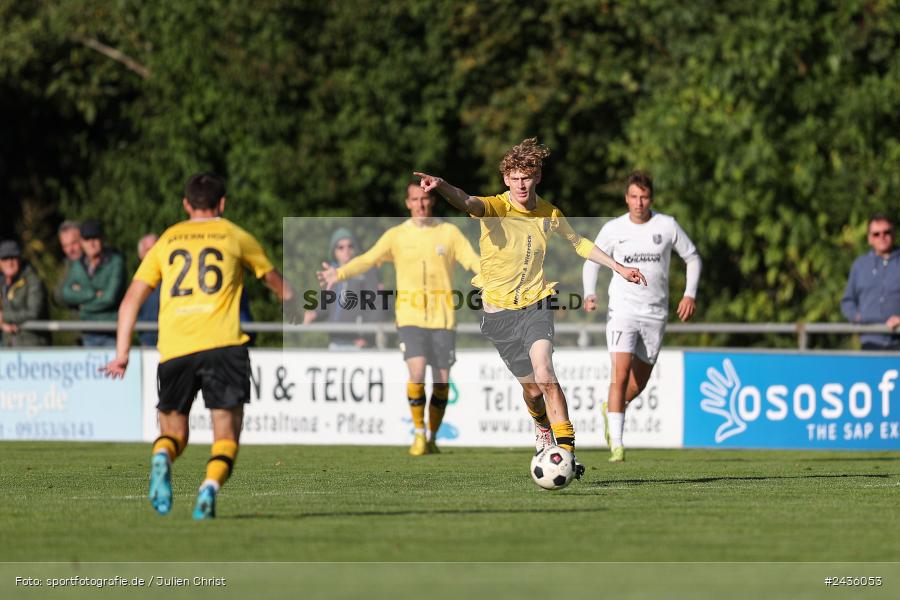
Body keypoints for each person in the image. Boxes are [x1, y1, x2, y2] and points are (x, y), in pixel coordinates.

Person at [414, 138, 647, 474]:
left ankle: (566, 455)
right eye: (515, 178)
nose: (522, 184)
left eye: (528, 176)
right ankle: (541, 427)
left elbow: (579, 243)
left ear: (537, 176)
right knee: (534, 393)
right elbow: (466, 200)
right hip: (498, 314)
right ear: (506, 180)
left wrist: (620, 268)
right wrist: (441, 186)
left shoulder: (549, 213)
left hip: (536, 303)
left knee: (546, 374)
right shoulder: (495, 207)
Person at [102, 172, 293, 520]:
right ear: (222, 203)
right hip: (224, 345)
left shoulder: (168, 239)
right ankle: (208, 489)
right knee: (226, 434)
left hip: (175, 348)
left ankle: (162, 457)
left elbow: (129, 303)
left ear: (187, 204)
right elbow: (274, 281)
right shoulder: (235, 235)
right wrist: (295, 303)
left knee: (173, 433)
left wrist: (122, 353)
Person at [318, 182, 480, 455]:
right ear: (408, 203)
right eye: (415, 199)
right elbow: (368, 259)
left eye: (425, 199)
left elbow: (473, 261)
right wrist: (340, 273)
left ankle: (432, 436)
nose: (421, 204)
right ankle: (418, 434)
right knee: (416, 373)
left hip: (442, 319)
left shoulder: (449, 233)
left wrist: (492, 280)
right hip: (409, 318)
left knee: (441, 382)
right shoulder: (396, 236)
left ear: (432, 202)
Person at [583, 171, 702, 463]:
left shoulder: (667, 225)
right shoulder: (614, 229)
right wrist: (589, 292)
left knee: (640, 382)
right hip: (622, 310)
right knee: (620, 375)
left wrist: (689, 293)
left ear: (651, 198)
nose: (639, 202)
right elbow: (592, 260)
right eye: (634, 197)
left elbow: (693, 257)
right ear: (626, 198)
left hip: (655, 313)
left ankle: (611, 410)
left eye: (644, 197)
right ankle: (618, 446)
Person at [305, 228, 384, 349]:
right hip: (335, 341)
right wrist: (313, 314)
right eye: (340, 247)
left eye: (350, 246)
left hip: (357, 343)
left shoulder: (366, 271)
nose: (346, 250)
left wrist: (366, 337)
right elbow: (326, 306)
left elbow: (376, 307)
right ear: (333, 251)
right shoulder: (331, 272)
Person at [61, 219, 127, 346]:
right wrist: (92, 294)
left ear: (102, 239)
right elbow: (66, 293)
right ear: (82, 242)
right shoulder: (78, 264)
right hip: (88, 332)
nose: (91, 243)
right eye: (87, 239)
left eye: (95, 238)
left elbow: (109, 298)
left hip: (111, 330)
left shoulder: (115, 262)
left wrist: (83, 306)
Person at [840, 213, 900, 350]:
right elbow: (847, 301)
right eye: (876, 234)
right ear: (869, 239)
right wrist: (857, 317)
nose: (882, 237)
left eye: (886, 232)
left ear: (894, 234)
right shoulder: (860, 265)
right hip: (870, 343)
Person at [0, 240, 50, 347]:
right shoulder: (2, 283)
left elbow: (34, 312)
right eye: (5, 258)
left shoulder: (33, 281)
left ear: (19, 259)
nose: (9, 263)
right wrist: (3, 325)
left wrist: (5, 317)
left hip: (32, 346)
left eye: (13, 257)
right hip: (8, 345)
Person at [135, 233, 161, 347]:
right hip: (147, 340)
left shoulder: (173, 278)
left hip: (172, 339)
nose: (151, 253)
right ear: (141, 254)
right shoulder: (136, 282)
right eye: (148, 250)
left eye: (155, 248)